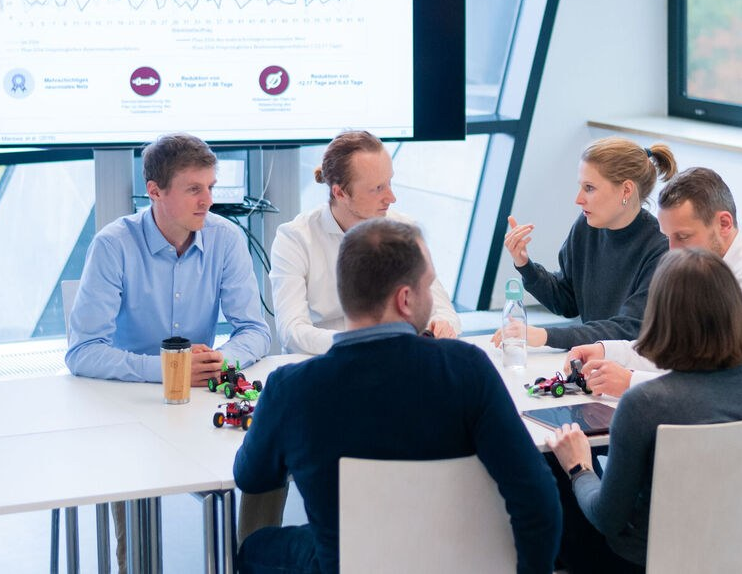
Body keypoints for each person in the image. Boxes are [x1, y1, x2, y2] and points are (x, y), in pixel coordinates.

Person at [235, 218, 561, 574]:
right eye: (429, 286)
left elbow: (251, 477)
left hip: (345, 564)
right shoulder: (466, 370)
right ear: (405, 299)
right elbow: (537, 500)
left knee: (257, 546)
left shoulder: (290, 388)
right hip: (454, 561)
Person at [567, 166, 742, 520]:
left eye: (682, 236)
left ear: (723, 224)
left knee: (642, 479)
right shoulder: (718, 271)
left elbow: (720, 385)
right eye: (667, 238)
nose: (671, 251)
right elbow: (685, 353)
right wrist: (610, 350)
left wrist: (629, 383)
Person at [546, 247, 742, 572]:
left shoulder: (646, 404)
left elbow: (606, 518)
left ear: (662, 318)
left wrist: (579, 468)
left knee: (555, 460)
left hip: (645, 562)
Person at [66, 132, 271, 381]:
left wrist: (219, 362)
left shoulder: (226, 238)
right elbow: (83, 352)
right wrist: (171, 370)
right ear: (154, 191)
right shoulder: (112, 245)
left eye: (210, 187)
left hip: (197, 393)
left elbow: (255, 330)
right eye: (194, 189)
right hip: (126, 393)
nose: (208, 201)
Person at [270, 130, 460, 354]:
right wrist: (364, 342)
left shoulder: (404, 230)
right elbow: (291, 331)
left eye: (389, 182)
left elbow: (445, 312)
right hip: (325, 366)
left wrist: (442, 324)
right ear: (340, 193)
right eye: (378, 188)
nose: (392, 197)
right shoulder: (295, 238)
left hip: (395, 360)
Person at [492, 137, 676, 350]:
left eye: (589, 188)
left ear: (626, 190)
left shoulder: (661, 248)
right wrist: (525, 265)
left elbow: (628, 329)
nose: (578, 199)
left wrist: (545, 335)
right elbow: (567, 301)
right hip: (594, 362)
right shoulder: (586, 227)